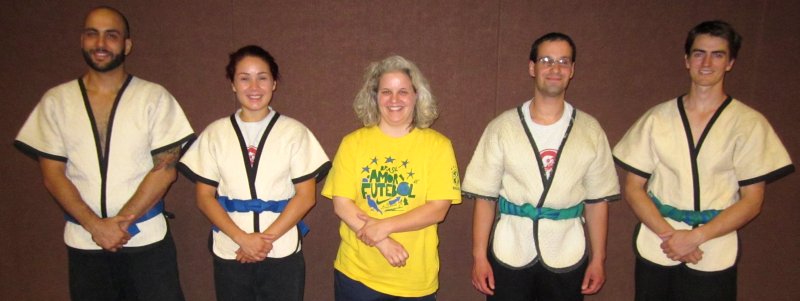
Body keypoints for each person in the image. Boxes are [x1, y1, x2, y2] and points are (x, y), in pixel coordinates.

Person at [13, 6, 193, 300]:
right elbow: (52, 175)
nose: (101, 44)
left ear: (127, 45)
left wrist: (120, 223)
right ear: (81, 40)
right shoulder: (57, 101)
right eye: (92, 34)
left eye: (111, 36)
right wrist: (96, 226)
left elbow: (165, 169)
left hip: (145, 238)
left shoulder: (153, 97)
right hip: (85, 240)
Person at [613, 20, 794, 301]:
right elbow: (634, 188)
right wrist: (671, 236)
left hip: (714, 246)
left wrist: (695, 237)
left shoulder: (749, 124)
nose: (707, 62)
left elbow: (752, 200)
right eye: (699, 53)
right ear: (687, 60)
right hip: (659, 243)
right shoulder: (657, 118)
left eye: (718, 54)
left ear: (730, 62)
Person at [463, 32, 619, 301]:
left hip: (567, 249)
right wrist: (479, 256)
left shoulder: (590, 130)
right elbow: (485, 198)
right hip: (510, 248)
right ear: (532, 67)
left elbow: (596, 201)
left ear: (572, 70)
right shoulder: (502, 127)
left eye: (563, 61)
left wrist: (599, 259)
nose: (555, 68)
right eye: (546, 60)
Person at [177, 45, 330, 301]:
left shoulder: (295, 132)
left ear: (274, 83)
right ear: (233, 84)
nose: (254, 87)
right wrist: (242, 239)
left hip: (281, 250)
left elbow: (306, 196)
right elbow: (204, 196)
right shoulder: (215, 134)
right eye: (244, 78)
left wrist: (262, 241)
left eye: (262, 77)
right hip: (231, 248)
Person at [321, 55, 462, 300]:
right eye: (386, 91)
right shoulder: (353, 143)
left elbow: (438, 209)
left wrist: (385, 226)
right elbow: (342, 204)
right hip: (357, 275)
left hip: (415, 279)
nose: (394, 100)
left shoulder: (439, 146)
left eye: (403, 91)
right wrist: (383, 242)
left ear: (416, 95)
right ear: (374, 97)